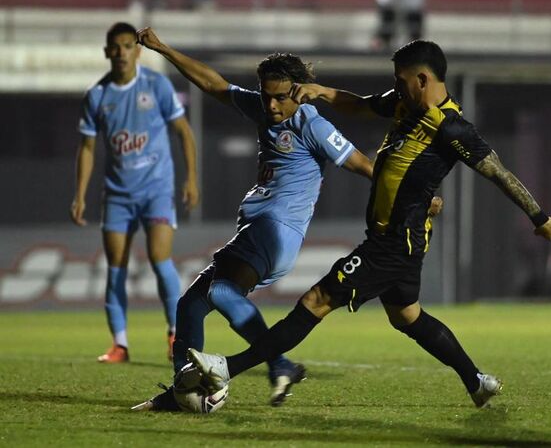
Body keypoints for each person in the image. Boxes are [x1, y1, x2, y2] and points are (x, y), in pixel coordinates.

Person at [183, 40, 551, 409]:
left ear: (422, 79)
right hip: (402, 239)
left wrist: (539, 218)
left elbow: (497, 171)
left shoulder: (451, 127)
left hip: (392, 242)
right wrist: (321, 92)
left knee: (315, 302)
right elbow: (362, 106)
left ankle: (227, 367)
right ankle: (476, 382)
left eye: (401, 81)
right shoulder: (404, 105)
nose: (396, 88)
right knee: (407, 316)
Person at [132, 27, 378, 409]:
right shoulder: (263, 110)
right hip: (258, 229)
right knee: (191, 304)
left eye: (281, 97)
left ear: (299, 91)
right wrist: (164, 49)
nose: (273, 105)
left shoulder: (311, 125)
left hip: (275, 230)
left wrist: (417, 197)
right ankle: (183, 391)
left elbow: (363, 164)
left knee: (219, 292)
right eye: (267, 96)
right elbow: (215, 85)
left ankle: (279, 364)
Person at [70, 22, 199, 364]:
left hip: (156, 189)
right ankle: (120, 345)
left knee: (160, 259)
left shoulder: (156, 85)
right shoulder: (97, 95)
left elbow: (184, 132)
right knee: (115, 269)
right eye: (116, 47)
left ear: (137, 51)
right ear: (107, 52)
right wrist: (79, 195)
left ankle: (175, 334)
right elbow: (86, 148)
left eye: (129, 46)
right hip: (117, 195)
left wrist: (191, 179)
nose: (123, 52)